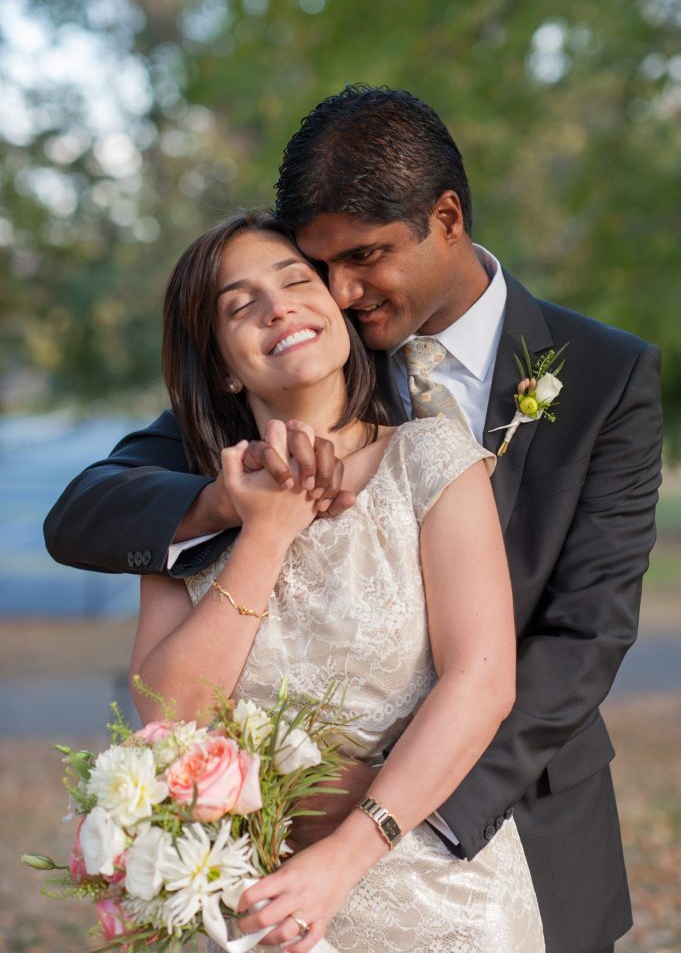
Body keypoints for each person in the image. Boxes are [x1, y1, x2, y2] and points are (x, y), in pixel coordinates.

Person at [44, 86, 663, 953]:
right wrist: (236, 509)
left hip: (497, 826)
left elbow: (584, 633)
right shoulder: (279, 378)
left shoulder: (605, 375)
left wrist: (373, 812)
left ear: (445, 218)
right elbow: (91, 512)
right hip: (262, 865)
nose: (337, 292)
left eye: (359, 259)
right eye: (316, 264)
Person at [130, 210, 545, 952]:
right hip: (253, 905)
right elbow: (171, 719)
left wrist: (346, 855)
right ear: (222, 361)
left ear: (336, 311)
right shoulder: (184, 507)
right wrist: (266, 528)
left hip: (431, 891)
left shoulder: (428, 459)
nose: (277, 305)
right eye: (238, 303)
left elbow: (481, 681)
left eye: (295, 280)